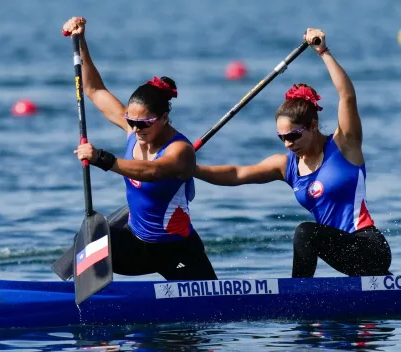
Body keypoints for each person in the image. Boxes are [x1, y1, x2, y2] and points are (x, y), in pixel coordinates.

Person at [194, 28, 392, 278]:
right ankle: (303, 298)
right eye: (282, 138)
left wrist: (323, 52)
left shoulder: (344, 145)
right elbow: (237, 173)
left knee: (305, 232)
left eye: (293, 136)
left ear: (312, 126)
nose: (287, 143)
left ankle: (298, 298)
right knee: (307, 233)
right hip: (341, 251)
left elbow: (347, 97)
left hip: (370, 247)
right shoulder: (285, 165)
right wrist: (191, 169)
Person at [62, 17, 217, 281]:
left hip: (177, 251)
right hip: (137, 246)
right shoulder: (135, 130)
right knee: (89, 239)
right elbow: (94, 89)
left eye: (143, 123)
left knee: (206, 318)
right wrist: (80, 41)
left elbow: (152, 171)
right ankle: (96, 300)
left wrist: (102, 158)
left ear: (164, 118)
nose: (135, 128)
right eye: (131, 121)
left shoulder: (181, 151)